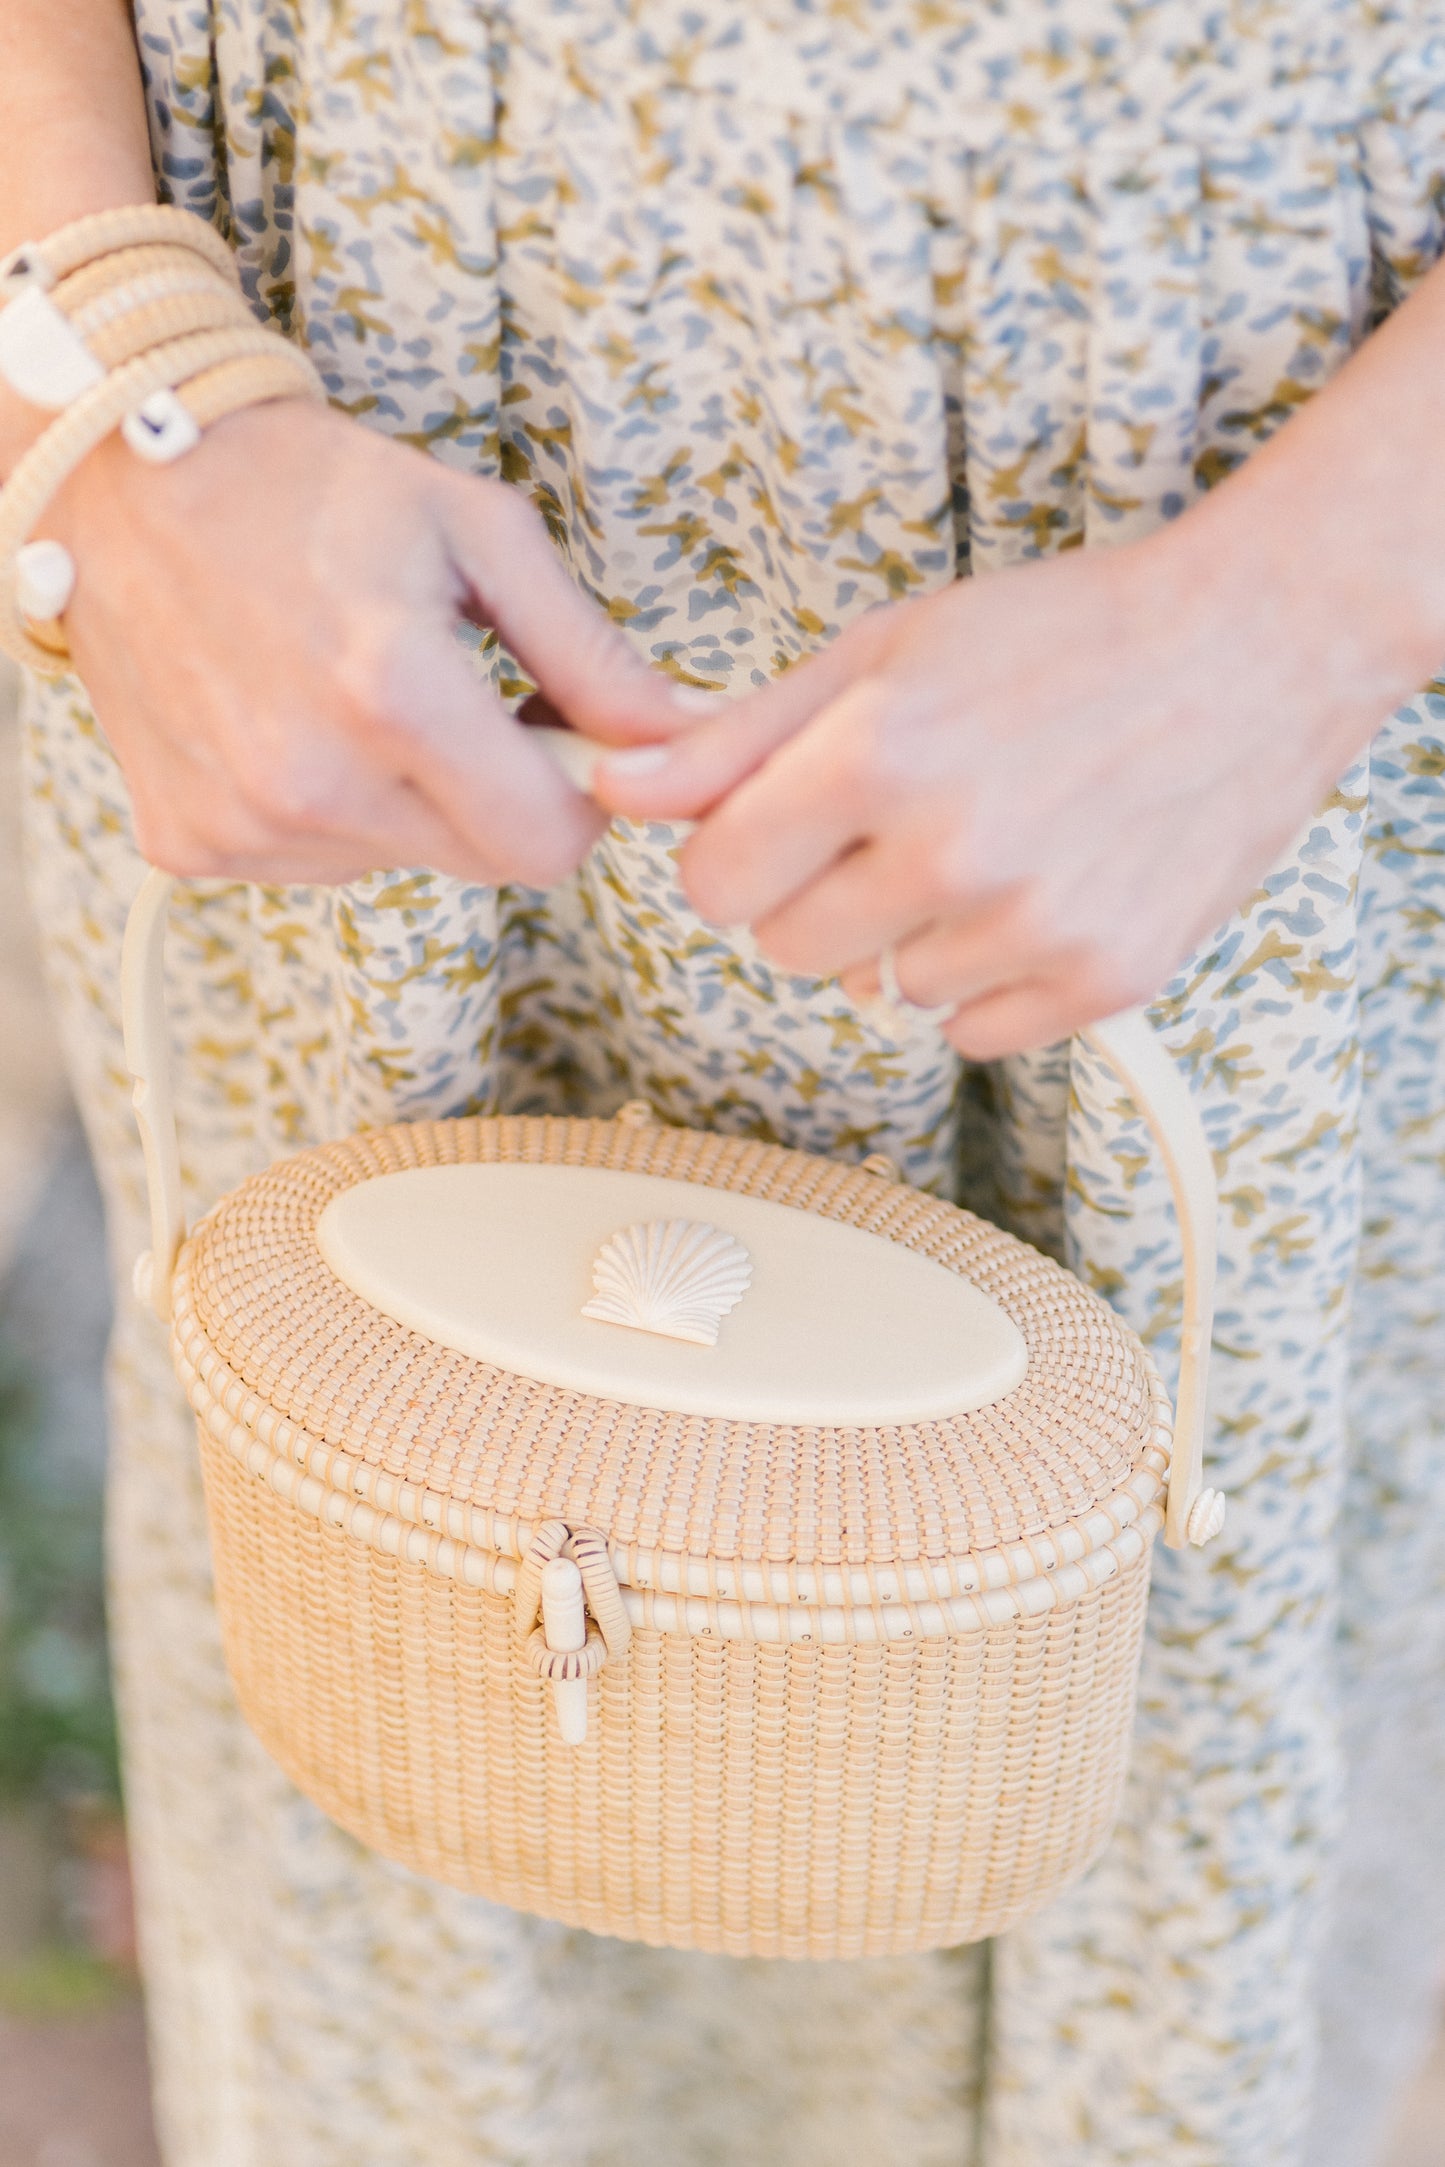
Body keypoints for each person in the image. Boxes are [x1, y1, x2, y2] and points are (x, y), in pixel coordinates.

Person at [2, 1, 1443, 2162]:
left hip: (1232, 564)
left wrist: (1313, 601)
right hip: (307, 498)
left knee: (1173, 1764)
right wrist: (103, 382)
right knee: (377, 1691)